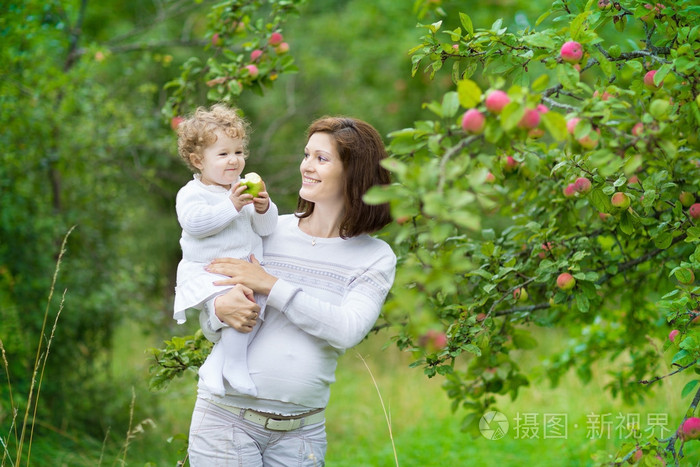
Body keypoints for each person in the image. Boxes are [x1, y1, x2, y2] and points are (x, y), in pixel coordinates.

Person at [187, 116, 397, 466]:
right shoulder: (269, 230)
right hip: (226, 420)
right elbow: (213, 310)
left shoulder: (374, 256)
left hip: (302, 434)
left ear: (354, 172)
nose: (307, 167)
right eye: (306, 155)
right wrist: (218, 310)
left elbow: (346, 331)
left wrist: (271, 284)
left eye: (321, 159)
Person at [173, 103, 277, 397]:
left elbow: (266, 229)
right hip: (209, 270)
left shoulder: (243, 188)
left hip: (244, 270)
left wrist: (263, 207)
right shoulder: (193, 193)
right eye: (223, 154)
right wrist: (231, 205)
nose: (234, 160)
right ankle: (233, 364)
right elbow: (195, 224)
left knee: (255, 305)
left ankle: (217, 362)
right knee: (237, 302)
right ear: (198, 160)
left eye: (238, 152)